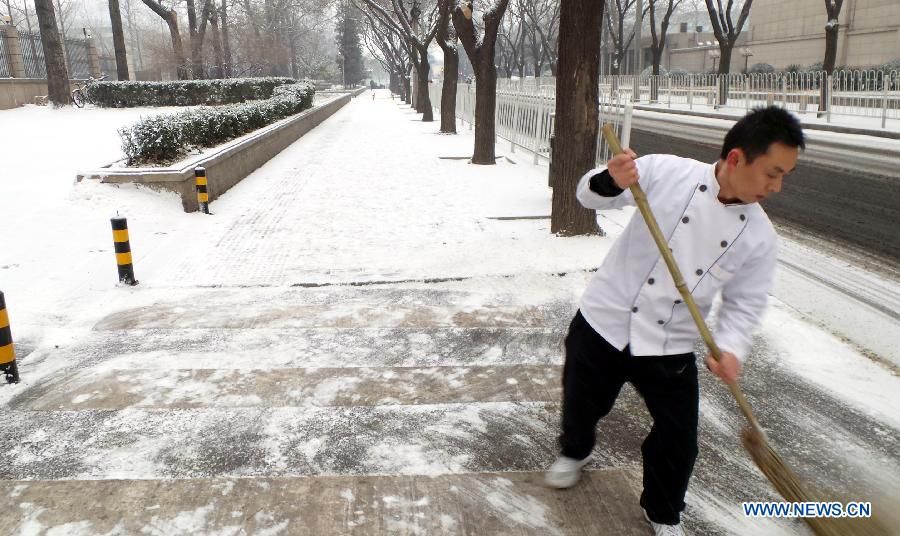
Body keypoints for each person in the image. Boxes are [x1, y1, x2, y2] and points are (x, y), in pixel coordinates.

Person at [544, 106, 805, 536]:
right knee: (581, 400)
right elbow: (586, 194)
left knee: (679, 439)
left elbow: (744, 304)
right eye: (771, 173)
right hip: (604, 321)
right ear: (737, 158)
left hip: (670, 342)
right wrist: (612, 179)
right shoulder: (665, 171)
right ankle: (575, 451)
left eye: (784, 177)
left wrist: (732, 348)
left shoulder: (759, 236)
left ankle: (663, 511)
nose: (776, 187)